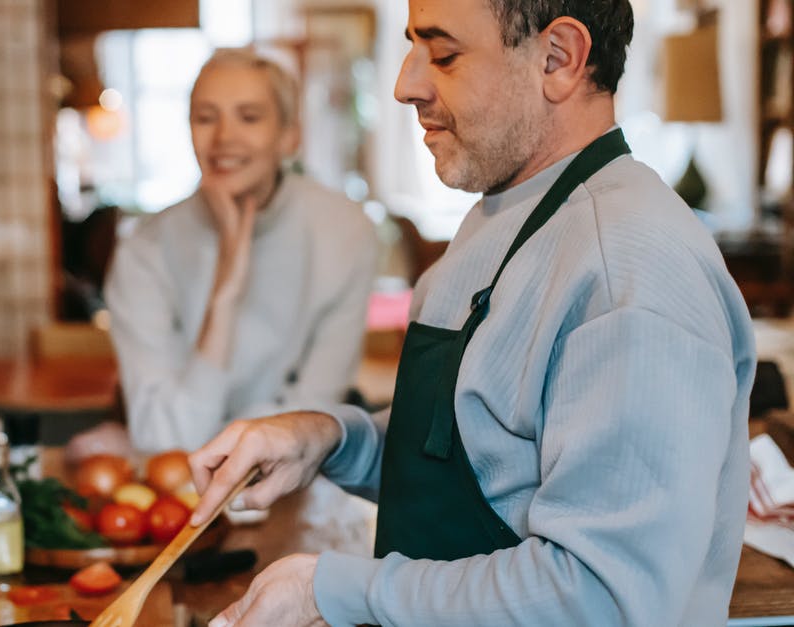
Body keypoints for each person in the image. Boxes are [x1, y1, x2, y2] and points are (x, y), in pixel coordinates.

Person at [188, 1, 757, 626]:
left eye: (444, 54)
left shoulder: (630, 263)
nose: (405, 85)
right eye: (412, 47)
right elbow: (481, 458)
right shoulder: (503, 214)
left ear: (558, 58)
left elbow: (604, 598)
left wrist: (336, 588)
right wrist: (331, 440)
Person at [105, 49, 379, 452]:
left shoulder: (345, 231)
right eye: (205, 117)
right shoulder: (144, 250)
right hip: (180, 491)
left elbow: (312, 414)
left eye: (249, 117)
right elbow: (164, 441)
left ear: (290, 135)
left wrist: (199, 433)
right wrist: (225, 293)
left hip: (296, 479)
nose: (223, 138)